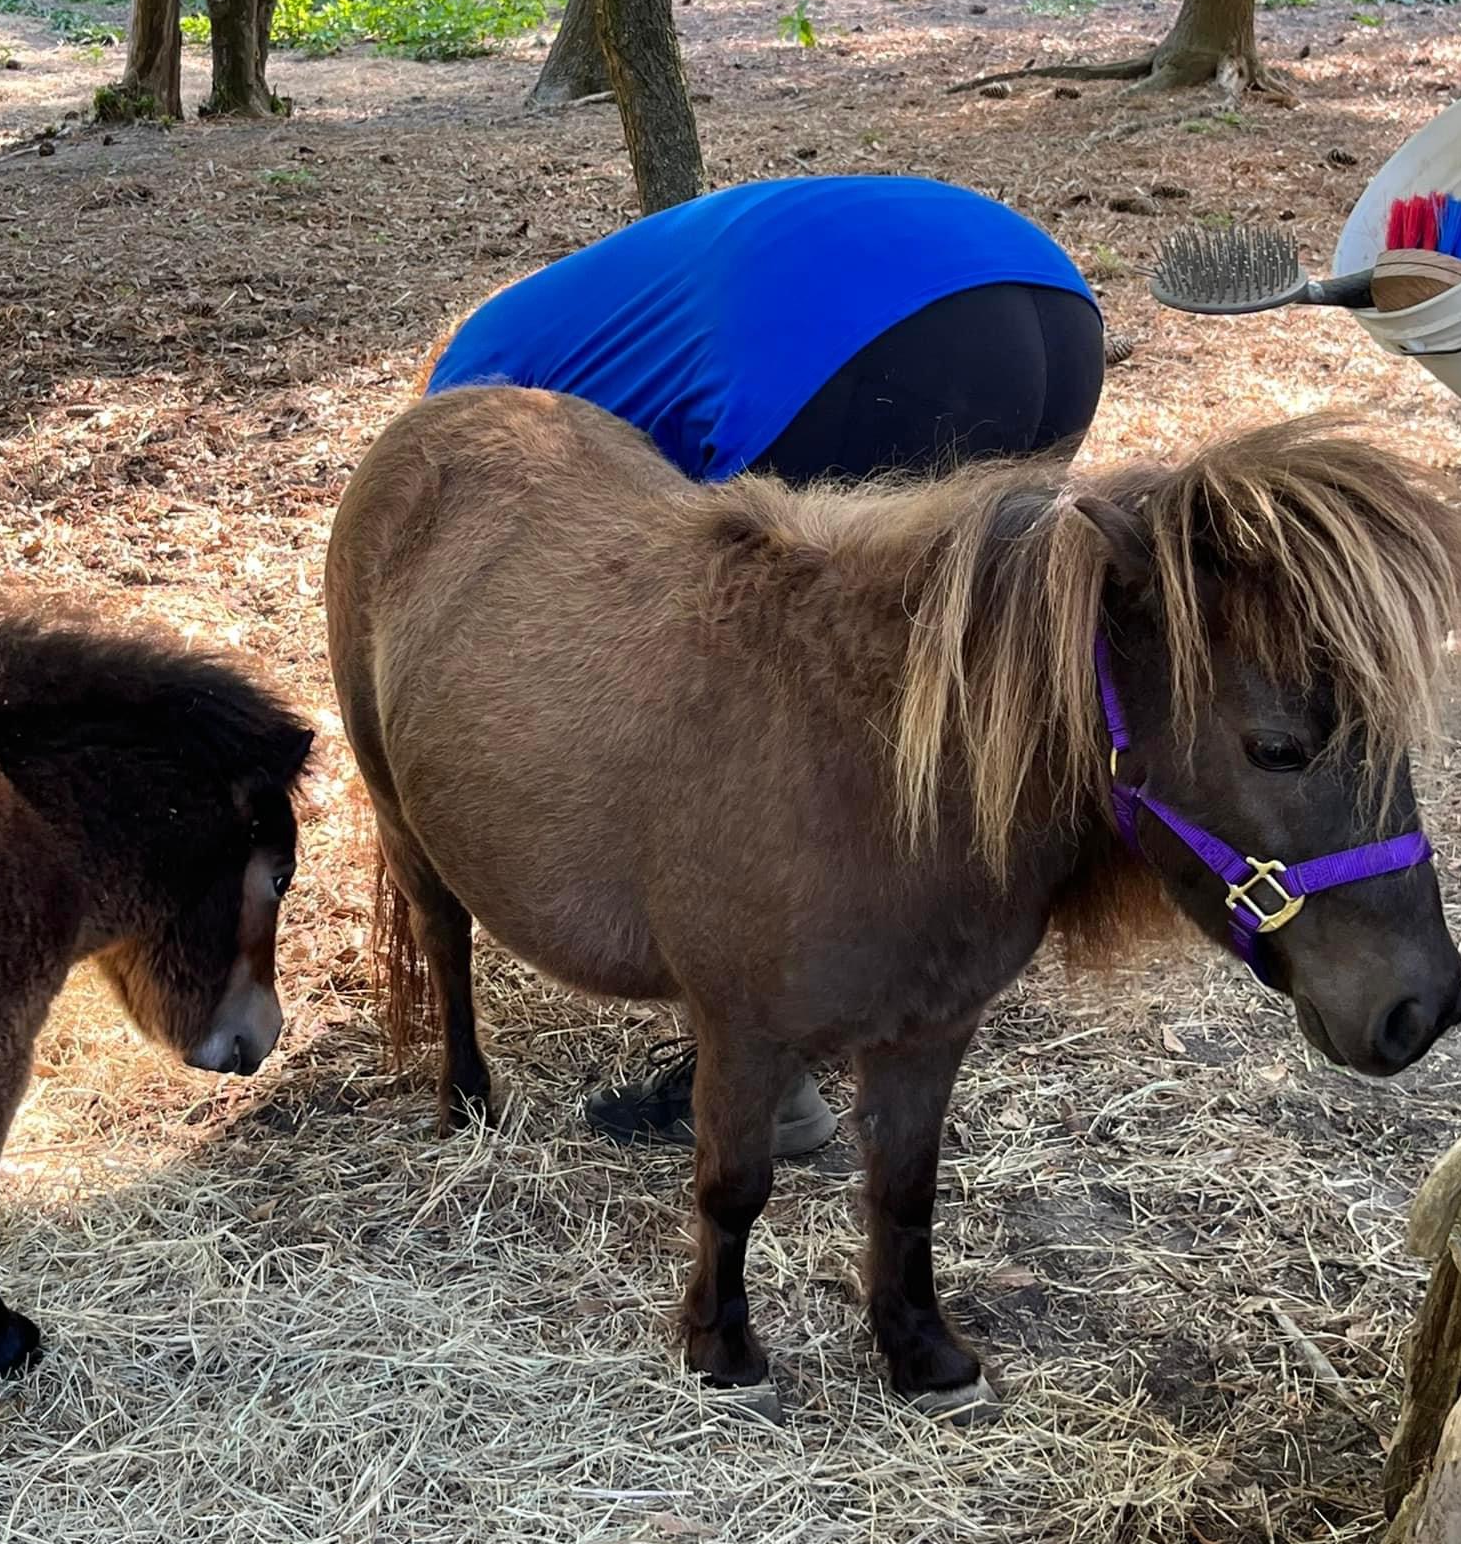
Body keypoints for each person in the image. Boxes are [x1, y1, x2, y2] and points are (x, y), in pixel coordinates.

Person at [424, 173, 1106, 1158]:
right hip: (1044, 294)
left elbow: (615, 568)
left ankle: (786, 1074)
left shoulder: (468, 408)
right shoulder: (554, 318)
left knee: (806, 682)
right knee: (952, 643)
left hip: (851, 345)